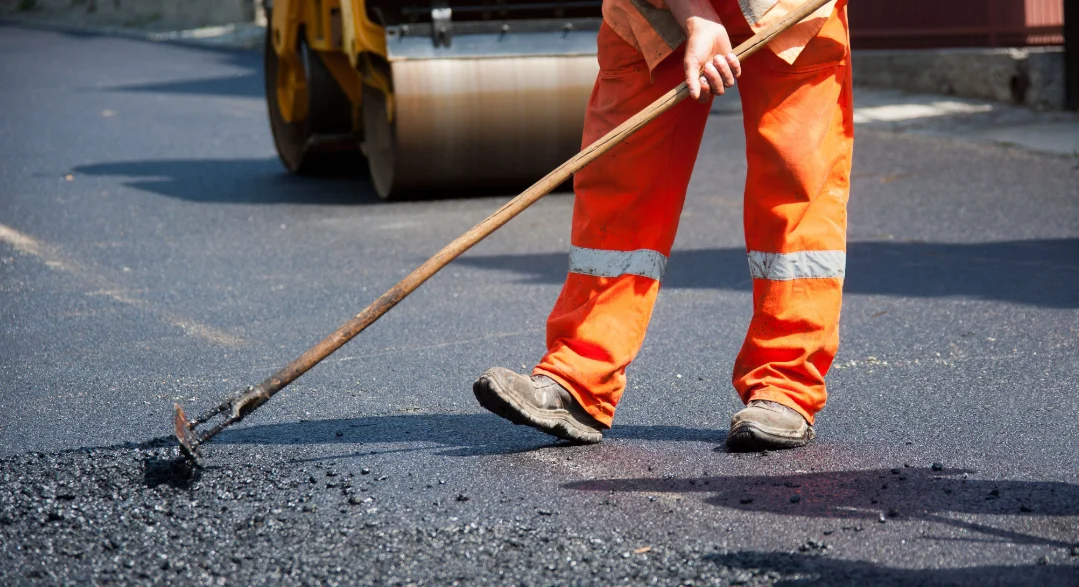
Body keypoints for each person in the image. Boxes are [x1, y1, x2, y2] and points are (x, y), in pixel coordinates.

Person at [473, 0, 853, 451]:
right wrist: (694, 15)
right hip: (651, 13)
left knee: (797, 186)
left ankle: (785, 386)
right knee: (621, 184)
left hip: (789, 10)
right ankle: (579, 377)